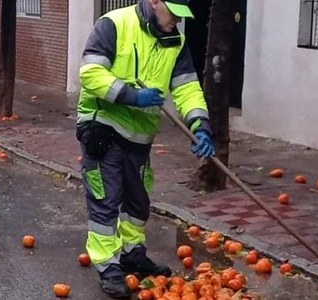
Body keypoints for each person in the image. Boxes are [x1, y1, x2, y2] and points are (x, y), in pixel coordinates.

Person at [76, 0, 215, 298]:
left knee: (137, 203)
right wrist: (131, 96)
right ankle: (108, 266)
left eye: (182, 15)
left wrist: (200, 127)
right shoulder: (113, 24)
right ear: (155, 2)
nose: (178, 20)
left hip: (139, 139)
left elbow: (188, 88)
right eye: (174, 13)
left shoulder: (175, 41)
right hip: (105, 128)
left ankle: (131, 254)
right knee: (107, 199)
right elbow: (90, 73)